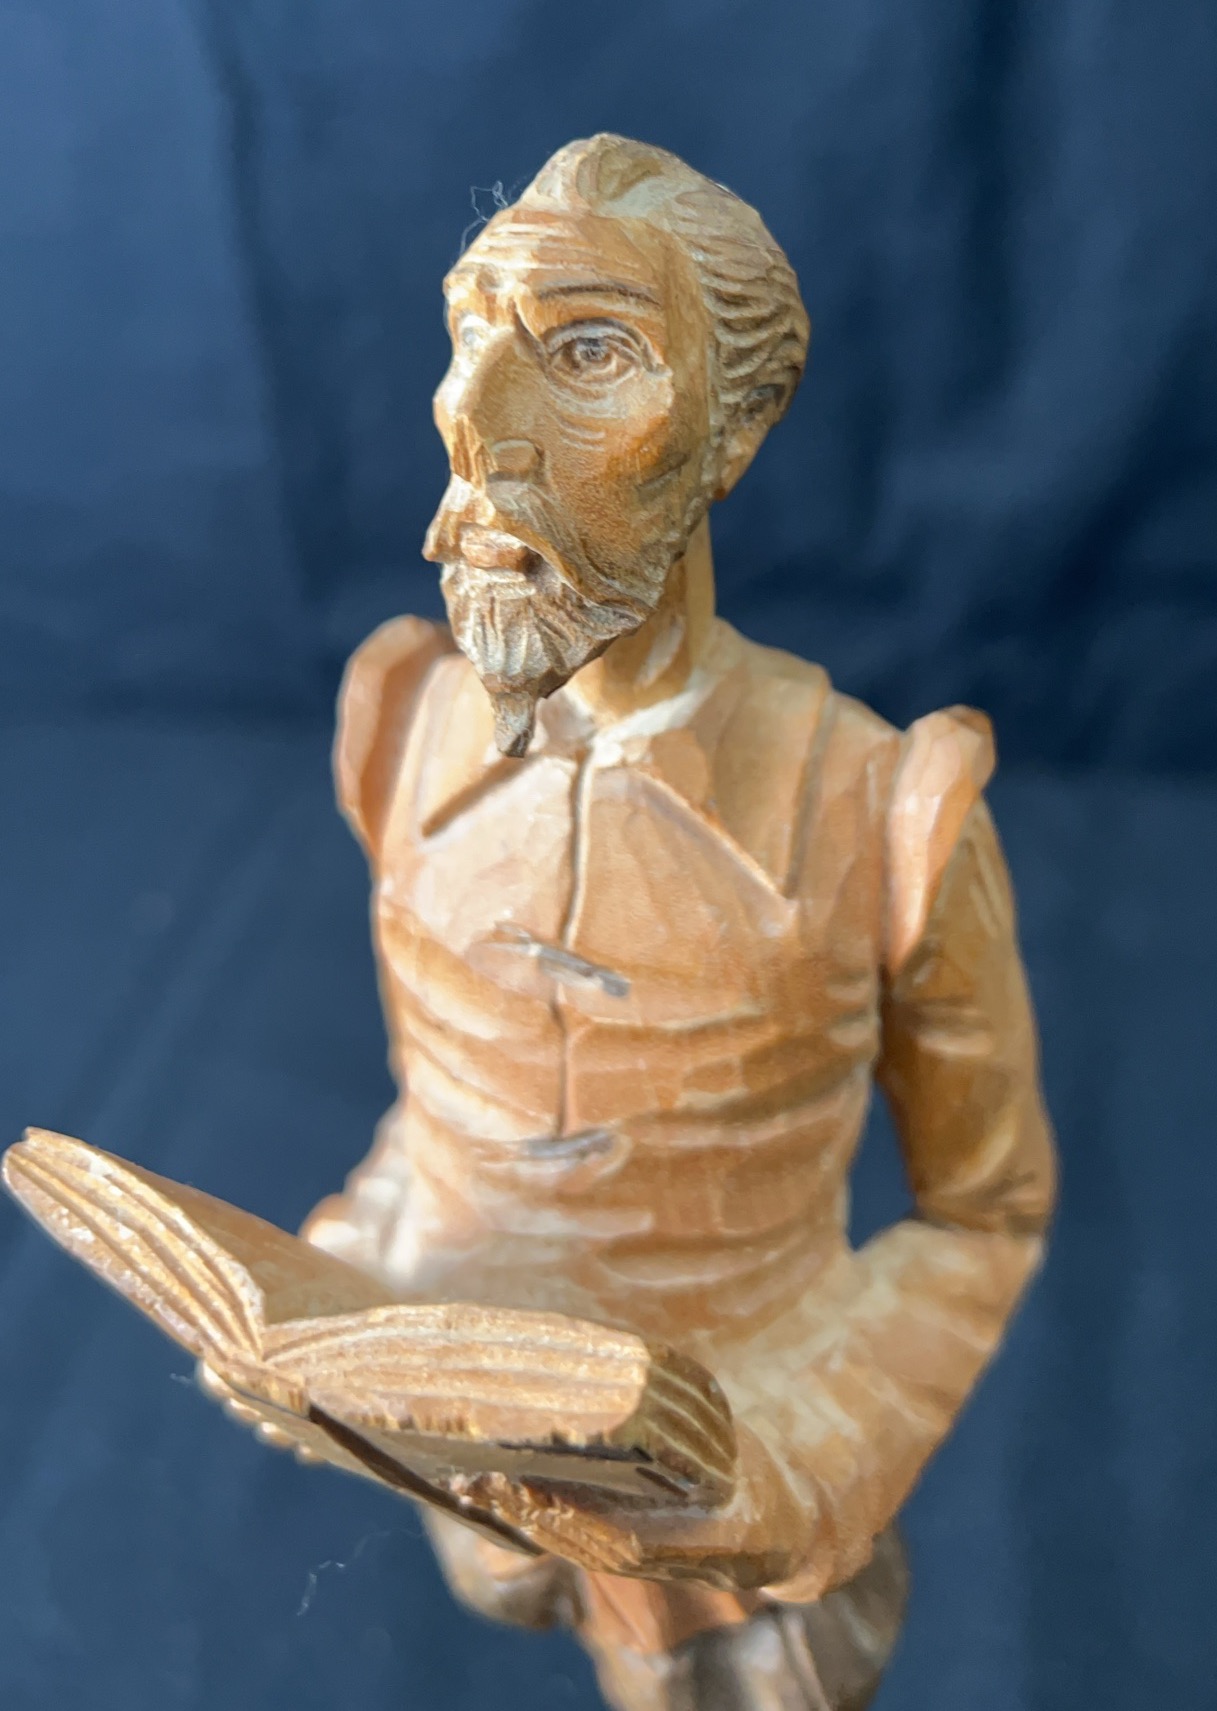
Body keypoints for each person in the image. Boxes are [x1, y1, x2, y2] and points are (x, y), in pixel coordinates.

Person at [295, 134, 1057, 1711]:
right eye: (470, 335)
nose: (476, 418)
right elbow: (440, 1096)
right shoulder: (397, 719)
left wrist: (799, 1448)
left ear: (729, 426)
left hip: (749, 1538)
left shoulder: (882, 810)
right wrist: (348, 1269)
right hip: (467, 1475)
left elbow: (985, 1214)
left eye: (588, 352)